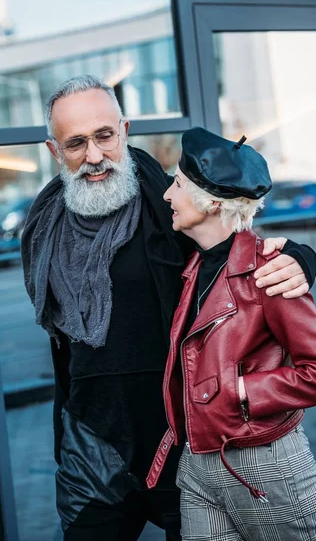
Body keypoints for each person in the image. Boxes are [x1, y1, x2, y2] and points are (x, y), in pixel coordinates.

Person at [21, 75, 315, 541]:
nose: (94, 156)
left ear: (124, 129)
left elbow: (237, 239)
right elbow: (60, 343)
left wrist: (302, 257)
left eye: (104, 135)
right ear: (55, 151)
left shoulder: (172, 203)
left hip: (179, 438)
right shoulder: (42, 228)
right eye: (76, 143)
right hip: (92, 443)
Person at [147, 126, 316, 540]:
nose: (167, 195)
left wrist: (245, 390)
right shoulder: (192, 269)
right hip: (198, 464)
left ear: (210, 203)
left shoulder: (267, 271)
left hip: (264, 467)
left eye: (179, 184)